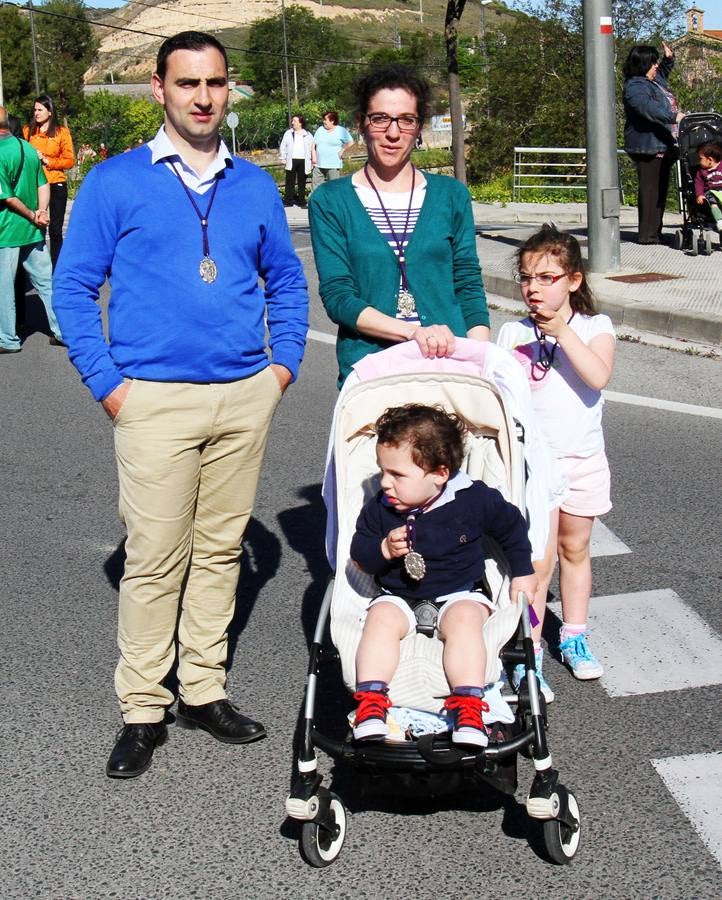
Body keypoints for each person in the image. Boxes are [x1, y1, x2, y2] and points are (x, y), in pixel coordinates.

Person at [52, 31, 309, 779]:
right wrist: (109, 385)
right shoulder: (115, 181)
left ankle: (202, 688)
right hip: (151, 399)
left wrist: (282, 368)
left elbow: (286, 281)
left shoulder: (256, 185)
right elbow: (73, 287)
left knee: (222, 551)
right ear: (160, 90)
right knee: (156, 557)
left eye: (216, 83)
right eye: (188, 83)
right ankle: (142, 707)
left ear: (230, 91)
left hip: (243, 395)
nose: (203, 97)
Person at [349, 404, 537, 747]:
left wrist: (523, 572)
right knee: (380, 619)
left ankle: (468, 706)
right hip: (398, 594)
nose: (386, 483)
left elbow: (512, 528)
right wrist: (382, 551)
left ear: (439, 473)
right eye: (382, 472)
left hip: (459, 592)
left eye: (397, 475)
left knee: (466, 622)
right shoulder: (380, 507)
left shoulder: (473, 501)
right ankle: (372, 704)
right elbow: (359, 553)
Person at [309, 65, 490, 388]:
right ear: (361, 124)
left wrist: (479, 358)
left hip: (449, 371)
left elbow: (468, 284)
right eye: (380, 119)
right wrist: (412, 332)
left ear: (418, 127)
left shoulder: (451, 196)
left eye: (406, 120)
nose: (393, 133)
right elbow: (338, 297)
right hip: (371, 374)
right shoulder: (330, 201)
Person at [496, 224, 615, 695]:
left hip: (582, 458)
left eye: (547, 277)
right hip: (533, 466)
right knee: (537, 562)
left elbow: (598, 375)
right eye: (527, 278)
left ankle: (574, 637)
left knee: (575, 549)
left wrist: (561, 331)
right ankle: (527, 653)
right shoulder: (511, 332)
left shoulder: (593, 327)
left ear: (573, 280)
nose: (534, 288)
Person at [0, 106, 64, 353]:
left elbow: (7, 197)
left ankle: (8, 339)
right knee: (46, 284)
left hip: (6, 231)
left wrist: (29, 213)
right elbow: (43, 183)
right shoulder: (26, 148)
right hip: (33, 231)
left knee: (5, 288)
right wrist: (41, 212)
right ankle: (62, 332)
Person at [623, 42, 685, 245]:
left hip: (662, 144)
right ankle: (647, 235)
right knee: (650, 191)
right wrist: (673, 116)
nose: (656, 66)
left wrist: (669, 58)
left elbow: (663, 72)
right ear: (642, 65)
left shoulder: (652, 80)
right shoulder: (635, 86)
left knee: (659, 191)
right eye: (652, 62)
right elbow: (648, 108)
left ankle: (655, 232)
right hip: (648, 146)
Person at [23, 95, 75, 268]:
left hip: (56, 183)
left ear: (50, 112)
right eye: (35, 109)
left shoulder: (61, 132)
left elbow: (69, 160)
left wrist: (48, 160)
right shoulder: (27, 131)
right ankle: (39, 266)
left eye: (40, 109)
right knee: (38, 226)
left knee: (55, 229)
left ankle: (57, 266)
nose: (36, 113)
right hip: (35, 185)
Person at [311, 110, 353, 190]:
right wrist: (314, 157)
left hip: (333, 164)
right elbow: (313, 144)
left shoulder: (341, 130)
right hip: (318, 164)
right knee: (316, 187)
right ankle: (316, 202)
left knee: (333, 187)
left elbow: (351, 142)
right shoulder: (320, 129)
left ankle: (333, 202)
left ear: (332, 121)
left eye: (325, 119)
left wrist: (342, 150)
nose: (323, 121)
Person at [279, 114, 313, 207]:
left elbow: (312, 148)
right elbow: (283, 146)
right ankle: (288, 201)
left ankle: (301, 201)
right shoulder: (288, 133)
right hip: (291, 160)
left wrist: (312, 160)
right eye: (292, 121)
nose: (292, 122)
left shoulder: (308, 134)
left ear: (300, 123)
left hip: (304, 160)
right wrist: (283, 157)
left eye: (294, 121)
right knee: (290, 181)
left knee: (302, 182)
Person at [694, 140, 722, 233]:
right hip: (711, 192)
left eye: (700, 158)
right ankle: (720, 221)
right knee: (712, 200)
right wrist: (699, 194)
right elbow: (699, 183)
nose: (699, 161)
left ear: (709, 159)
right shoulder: (701, 172)